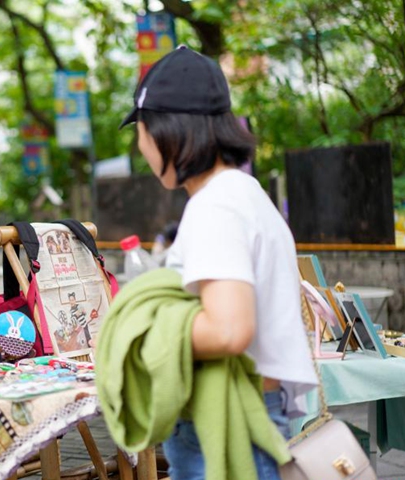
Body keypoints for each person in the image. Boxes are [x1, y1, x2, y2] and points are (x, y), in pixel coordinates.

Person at [119, 46, 317, 479]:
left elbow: (229, 329)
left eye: (141, 128)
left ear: (165, 130)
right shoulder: (243, 193)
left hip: (227, 425)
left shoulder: (217, 206)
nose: (140, 144)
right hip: (248, 410)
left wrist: (135, 336)